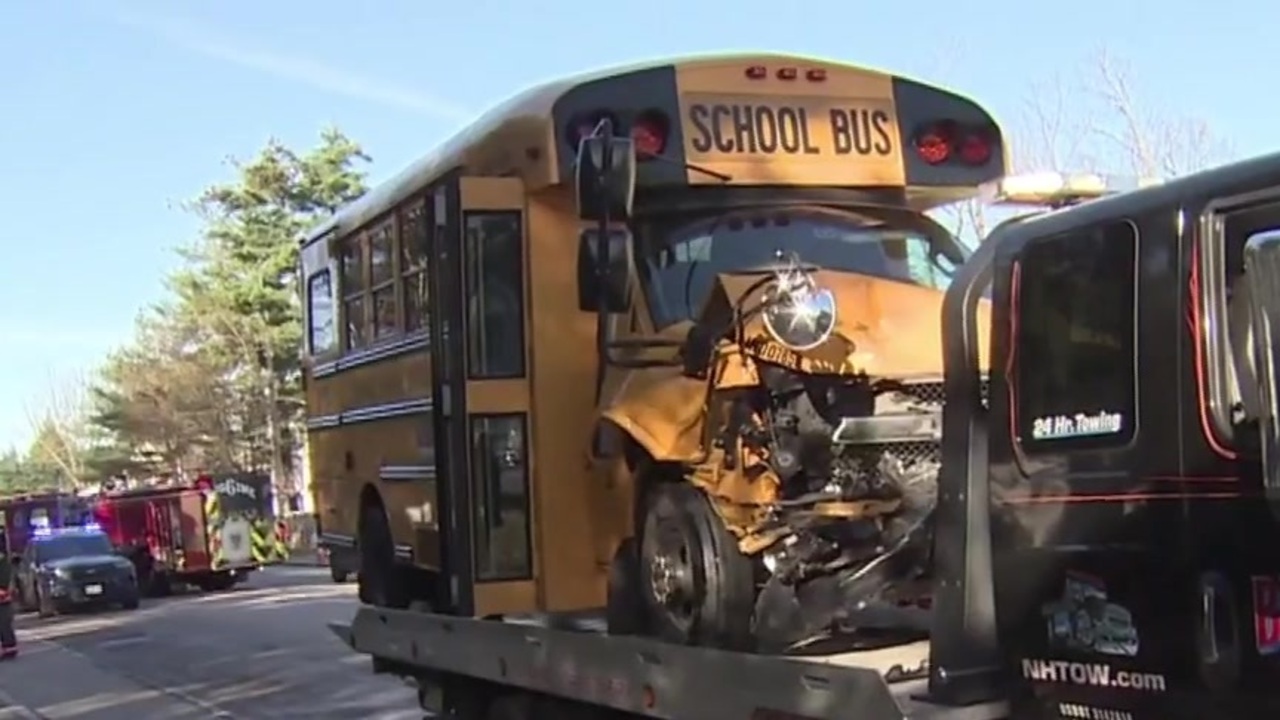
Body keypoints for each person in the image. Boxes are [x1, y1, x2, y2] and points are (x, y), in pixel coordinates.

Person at [0, 529, 17, 659]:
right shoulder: (4, 560)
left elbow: (7, 576)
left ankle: (9, 647)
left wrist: (6, 590)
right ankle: (8, 647)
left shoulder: (3, 560)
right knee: (5, 622)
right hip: (4, 595)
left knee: (4, 622)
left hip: (3, 596)